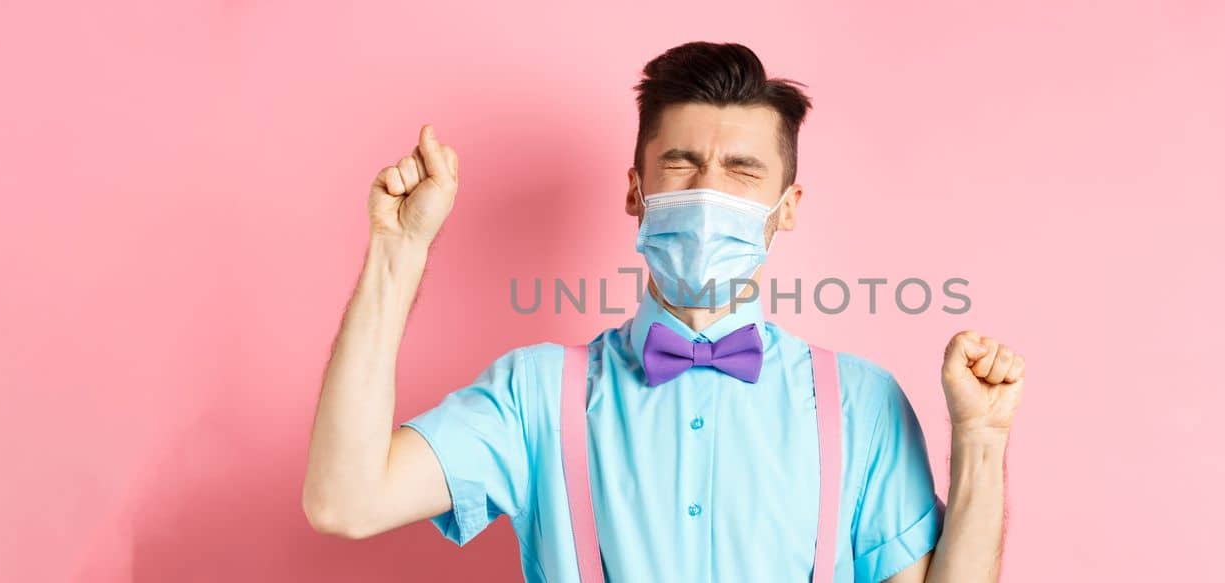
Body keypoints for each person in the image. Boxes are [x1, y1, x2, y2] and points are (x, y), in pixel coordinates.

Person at [302, 41, 1026, 582]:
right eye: (681, 163)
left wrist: (982, 440)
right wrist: (398, 251)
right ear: (635, 190)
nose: (709, 191)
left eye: (742, 170)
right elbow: (345, 500)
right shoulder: (534, 394)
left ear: (788, 207)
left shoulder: (863, 402)